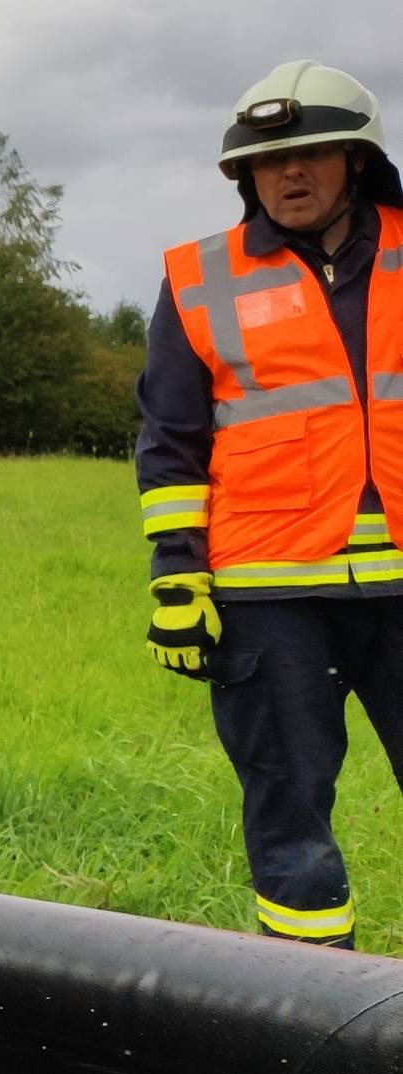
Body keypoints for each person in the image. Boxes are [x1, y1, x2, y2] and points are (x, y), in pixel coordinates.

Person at [136, 60, 403, 950]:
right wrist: (178, 578)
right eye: (268, 160)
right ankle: (312, 1001)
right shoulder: (197, 279)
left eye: (314, 153)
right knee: (288, 806)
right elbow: (171, 443)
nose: (290, 174)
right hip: (268, 597)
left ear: (357, 161)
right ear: (244, 176)